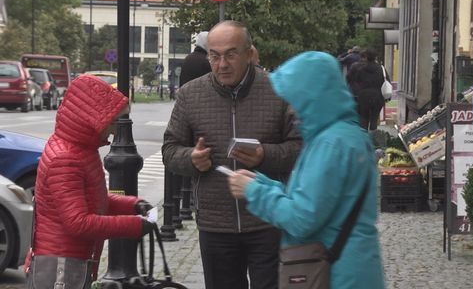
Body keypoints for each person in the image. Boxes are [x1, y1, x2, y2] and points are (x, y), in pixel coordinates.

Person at [162, 20, 302, 289]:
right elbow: (170, 150)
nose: (222, 64)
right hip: (216, 224)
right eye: (214, 56)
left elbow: (300, 148)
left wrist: (265, 156)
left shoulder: (279, 91)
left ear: (249, 54)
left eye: (230, 54)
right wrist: (191, 159)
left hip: (268, 219)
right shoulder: (190, 95)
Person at [228, 51, 385, 289]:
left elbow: (302, 218)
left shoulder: (330, 144)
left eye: (294, 99)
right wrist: (263, 183)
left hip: (336, 274)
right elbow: (318, 199)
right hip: (354, 266)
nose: (290, 109)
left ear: (311, 97)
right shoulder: (346, 134)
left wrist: (254, 192)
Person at [26, 75, 154, 288]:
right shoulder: (66, 158)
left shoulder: (80, 149)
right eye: (112, 122)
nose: (114, 130)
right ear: (91, 119)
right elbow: (78, 222)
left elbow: (94, 200)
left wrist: (133, 205)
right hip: (60, 267)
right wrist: (134, 226)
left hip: (69, 261)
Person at [346, 48, 387, 131]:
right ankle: (373, 137)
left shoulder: (361, 69)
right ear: (375, 57)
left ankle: (364, 138)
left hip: (363, 96)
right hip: (377, 96)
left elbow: (355, 80)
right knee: (374, 119)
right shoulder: (381, 69)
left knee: (363, 119)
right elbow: (386, 81)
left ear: (366, 57)